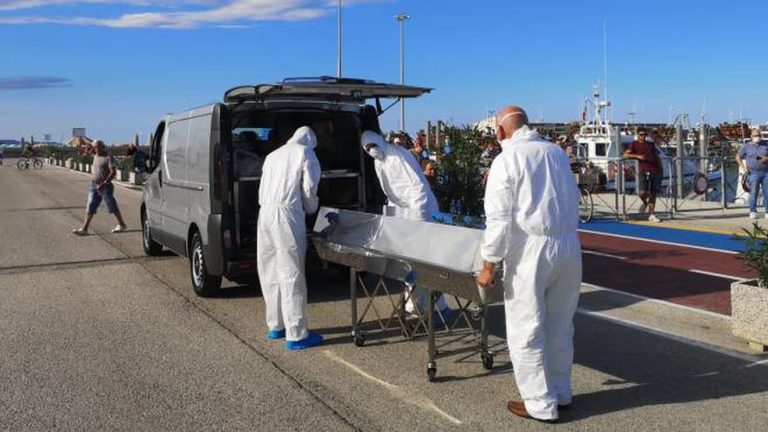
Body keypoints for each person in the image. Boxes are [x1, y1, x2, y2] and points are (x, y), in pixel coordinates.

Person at [476, 106, 581, 423]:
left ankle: (539, 403)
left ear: (500, 130)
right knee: (560, 325)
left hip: (530, 249)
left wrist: (489, 264)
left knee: (526, 328)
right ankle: (561, 392)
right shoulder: (557, 154)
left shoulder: (506, 160)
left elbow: (499, 220)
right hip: (568, 245)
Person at [360, 130, 453, 321]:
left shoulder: (397, 155)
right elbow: (393, 195)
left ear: (380, 142)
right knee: (412, 263)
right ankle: (429, 306)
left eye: (373, 146)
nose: (372, 150)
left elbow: (418, 190)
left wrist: (417, 223)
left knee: (423, 262)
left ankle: (428, 308)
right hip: (406, 213)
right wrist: (392, 220)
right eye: (368, 148)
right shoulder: (379, 162)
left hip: (422, 212)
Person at [257, 126, 324, 351]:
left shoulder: (272, 155)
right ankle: (296, 334)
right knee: (291, 272)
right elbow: (309, 188)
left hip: (264, 213)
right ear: (310, 141)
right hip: (287, 215)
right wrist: (312, 208)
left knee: (269, 269)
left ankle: (276, 325)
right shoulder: (305, 153)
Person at [72, 140, 128, 235]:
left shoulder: (108, 157)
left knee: (112, 206)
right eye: (95, 147)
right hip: (94, 185)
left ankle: (122, 224)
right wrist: (88, 148)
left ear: (103, 146)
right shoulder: (95, 156)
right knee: (91, 206)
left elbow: (113, 172)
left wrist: (105, 182)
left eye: (98, 147)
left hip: (105, 186)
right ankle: (85, 229)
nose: (96, 149)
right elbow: (87, 150)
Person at [623, 127, 663, 223]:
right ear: (638, 135)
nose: (644, 136)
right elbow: (626, 155)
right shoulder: (634, 144)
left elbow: (657, 156)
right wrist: (638, 156)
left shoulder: (651, 144)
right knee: (642, 192)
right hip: (643, 170)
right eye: (641, 134)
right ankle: (646, 203)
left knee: (653, 193)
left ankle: (651, 214)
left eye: (645, 134)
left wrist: (661, 169)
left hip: (655, 170)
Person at [736, 127, 768, 219]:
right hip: (753, 173)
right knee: (753, 193)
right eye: (755, 135)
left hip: (766, 172)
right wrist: (744, 168)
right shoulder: (746, 146)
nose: (757, 137)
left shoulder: (765, 144)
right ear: (751, 136)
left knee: (767, 193)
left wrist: (766, 159)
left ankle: (767, 212)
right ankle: (753, 211)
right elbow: (738, 157)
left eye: (759, 135)